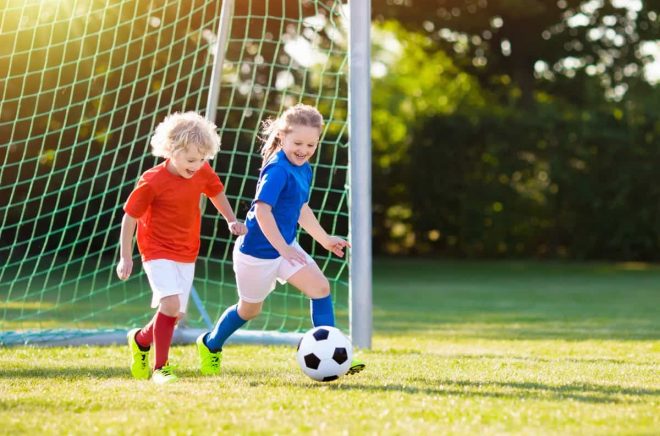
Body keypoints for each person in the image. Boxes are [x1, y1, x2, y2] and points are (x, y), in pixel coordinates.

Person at [195, 103, 365, 376]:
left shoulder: (304, 167)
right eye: (297, 142)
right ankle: (210, 344)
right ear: (282, 137)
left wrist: (323, 239)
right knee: (249, 310)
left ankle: (336, 356)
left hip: (285, 248)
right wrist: (283, 248)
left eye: (311, 144)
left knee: (321, 288)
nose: (304, 150)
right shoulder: (277, 169)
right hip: (257, 254)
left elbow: (301, 208)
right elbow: (262, 211)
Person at [116, 111, 247, 384]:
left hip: (187, 250)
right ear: (172, 150)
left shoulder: (201, 171)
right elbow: (130, 217)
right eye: (190, 159)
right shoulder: (152, 181)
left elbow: (215, 191)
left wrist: (231, 219)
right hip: (156, 249)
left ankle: (140, 340)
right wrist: (125, 257)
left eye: (202, 159)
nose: (197, 165)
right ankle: (160, 369)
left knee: (175, 314)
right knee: (171, 305)